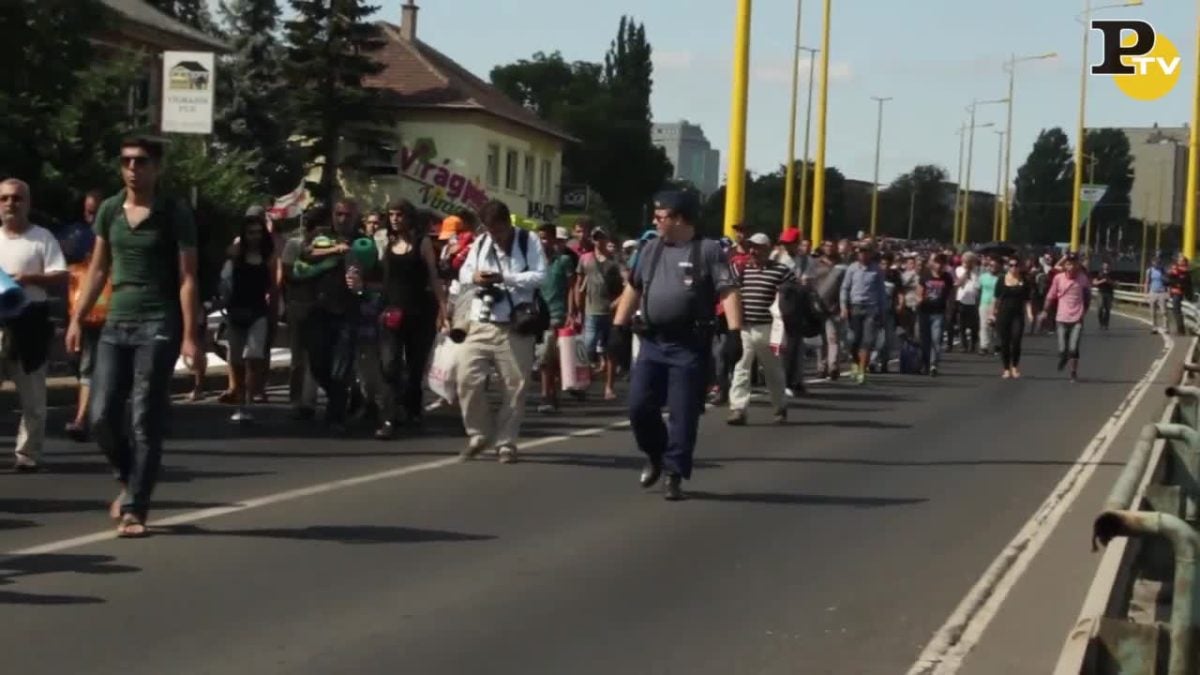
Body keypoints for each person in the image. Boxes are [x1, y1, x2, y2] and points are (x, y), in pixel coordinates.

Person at [66, 135, 201, 538]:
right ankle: (128, 478)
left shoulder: (174, 212)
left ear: (157, 167)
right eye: (126, 161)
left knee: (145, 417)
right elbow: (99, 270)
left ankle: (136, 509)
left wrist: (191, 335)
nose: (132, 169)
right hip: (116, 321)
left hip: (157, 320)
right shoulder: (109, 209)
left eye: (141, 162)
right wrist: (77, 318)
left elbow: (188, 276)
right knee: (101, 414)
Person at [612, 190, 741, 501]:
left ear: (680, 218)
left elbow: (728, 292)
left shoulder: (708, 251)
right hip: (653, 342)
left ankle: (674, 472)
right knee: (639, 406)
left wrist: (735, 332)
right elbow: (633, 289)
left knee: (683, 413)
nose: (656, 222)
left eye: (661, 216)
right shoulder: (650, 249)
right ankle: (655, 453)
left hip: (689, 345)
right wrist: (618, 327)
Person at [455, 200, 546, 464]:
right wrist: (476, 278)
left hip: (517, 324)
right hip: (481, 320)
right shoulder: (482, 242)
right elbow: (463, 273)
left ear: (508, 223)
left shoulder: (528, 241)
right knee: (466, 378)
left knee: (515, 387)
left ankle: (506, 443)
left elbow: (541, 276)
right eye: (491, 230)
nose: (496, 235)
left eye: (499, 230)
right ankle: (478, 434)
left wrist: (504, 278)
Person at [0, 179, 67, 471]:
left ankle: (27, 455)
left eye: (16, 198)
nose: (10, 204)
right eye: (4, 199)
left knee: (33, 397)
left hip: (29, 323)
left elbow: (60, 275)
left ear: (28, 203)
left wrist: (29, 279)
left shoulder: (42, 238)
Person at [375, 199, 447, 439]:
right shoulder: (385, 241)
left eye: (399, 214)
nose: (395, 219)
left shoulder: (422, 243)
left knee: (416, 367)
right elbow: (378, 275)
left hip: (420, 313)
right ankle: (388, 417)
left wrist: (443, 309)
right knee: (390, 365)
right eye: (391, 214)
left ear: (409, 217)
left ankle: (413, 410)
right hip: (391, 313)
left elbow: (434, 277)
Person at [727, 232, 793, 426]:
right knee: (741, 368)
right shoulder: (742, 270)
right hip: (746, 327)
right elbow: (733, 293)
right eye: (751, 247)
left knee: (773, 370)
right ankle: (738, 408)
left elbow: (791, 296)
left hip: (770, 327)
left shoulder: (781, 271)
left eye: (758, 247)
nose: (753, 251)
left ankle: (780, 406)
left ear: (768, 249)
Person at [220, 205, 278, 423]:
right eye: (251, 232)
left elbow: (272, 286)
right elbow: (225, 276)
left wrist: (273, 313)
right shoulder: (236, 252)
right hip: (236, 311)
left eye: (258, 232)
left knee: (253, 356)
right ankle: (240, 400)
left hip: (258, 312)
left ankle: (248, 399)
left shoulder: (268, 255)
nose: (255, 236)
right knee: (236, 359)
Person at [65, 192, 110, 441]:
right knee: (77, 360)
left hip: (111, 313)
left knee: (89, 368)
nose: (91, 217)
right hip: (81, 311)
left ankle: (83, 418)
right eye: (88, 212)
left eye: (96, 211)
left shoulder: (115, 235)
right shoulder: (76, 237)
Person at [576, 227, 623, 400]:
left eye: (601, 237)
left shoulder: (615, 261)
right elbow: (579, 284)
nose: (598, 240)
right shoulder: (585, 259)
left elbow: (626, 287)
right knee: (587, 349)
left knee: (610, 351)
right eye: (595, 237)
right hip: (591, 311)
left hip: (611, 312)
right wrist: (577, 308)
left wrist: (616, 305)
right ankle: (583, 384)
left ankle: (609, 388)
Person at [840, 242, 887, 385]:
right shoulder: (852, 269)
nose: (863, 254)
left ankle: (861, 370)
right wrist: (843, 307)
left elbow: (881, 292)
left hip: (871, 308)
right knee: (854, 339)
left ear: (870, 253)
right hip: (855, 307)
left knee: (867, 340)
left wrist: (882, 310)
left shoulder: (876, 270)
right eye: (860, 252)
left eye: (866, 252)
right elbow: (845, 288)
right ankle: (855, 362)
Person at [1043, 253, 1090, 382]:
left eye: (1074, 263)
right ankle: (1063, 358)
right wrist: (1045, 311)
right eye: (1068, 264)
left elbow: (1087, 297)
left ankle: (1073, 372)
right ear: (1065, 265)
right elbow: (1050, 296)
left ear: (1077, 265)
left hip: (1077, 318)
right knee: (1063, 349)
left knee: (1074, 347)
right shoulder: (1058, 278)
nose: (1071, 266)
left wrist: (1083, 311)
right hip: (1061, 318)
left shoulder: (1083, 279)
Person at [992, 258, 1033, 378]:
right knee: (1004, 342)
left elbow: (1027, 300)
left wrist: (1030, 314)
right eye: (1011, 265)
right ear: (1008, 267)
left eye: (1016, 265)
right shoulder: (1001, 279)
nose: (1014, 268)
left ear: (1020, 267)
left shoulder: (1024, 281)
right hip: (1003, 314)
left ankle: (1014, 366)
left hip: (1018, 314)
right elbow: (996, 298)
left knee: (1016, 340)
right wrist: (992, 312)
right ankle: (1006, 368)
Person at [918, 254, 956, 377]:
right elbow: (919, 292)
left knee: (936, 338)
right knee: (925, 341)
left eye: (942, 263)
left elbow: (951, 295)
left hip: (939, 312)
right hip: (924, 311)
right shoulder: (925, 276)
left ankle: (933, 364)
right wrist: (918, 301)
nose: (939, 265)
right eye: (937, 262)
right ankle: (925, 364)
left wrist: (950, 310)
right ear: (932, 263)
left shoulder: (947, 278)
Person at [953, 252, 981, 353]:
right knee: (962, 325)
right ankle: (964, 345)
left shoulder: (978, 271)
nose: (967, 263)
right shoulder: (959, 269)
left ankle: (973, 344)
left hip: (974, 301)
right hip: (961, 300)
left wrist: (972, 271)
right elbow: (959, 283)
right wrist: (966, 272)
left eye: (970, 261)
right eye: (965, 261)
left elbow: (978, 285)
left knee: (974, 325)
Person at [978, 257, 999, 355]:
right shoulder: (983, 277)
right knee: (984, 326)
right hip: (984, 303)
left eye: (995, 265)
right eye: (991, 265)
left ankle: (997, 345)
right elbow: (978, 289)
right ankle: (984, 346)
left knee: (996, 327)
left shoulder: (1001, 278)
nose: (992, 267)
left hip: (997, 305)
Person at [1167, 254, 1193, 336]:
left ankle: (1181, 330)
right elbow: (1169, 280)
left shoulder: (1185, 272)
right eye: (1179, 260)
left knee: (1178, 312)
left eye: (1181, 260)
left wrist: (1177, 284)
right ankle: (1181, 329)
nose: (1179, 261)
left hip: (1180, 294)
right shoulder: (1175, 270)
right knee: (1176, 312)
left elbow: (1184, 283)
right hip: (1175, 293)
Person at [1146, 257, 1169, 334]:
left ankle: (1165, 327)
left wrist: (1168, 292)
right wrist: (1146, 293)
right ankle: (1154, 327)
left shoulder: (1163, 270)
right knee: (1152, 311)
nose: (1156, 264)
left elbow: (1168, 281)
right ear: (1152, 263)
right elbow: (1147, 282)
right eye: (1154, 262)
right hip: (1153, 292)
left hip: (1162, 292)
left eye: (1157, 262)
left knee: (1164, 311)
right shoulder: (1149, 271)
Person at [1093, 260, 1115, 330]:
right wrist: (1102, 281)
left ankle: (1106, 324)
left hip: (1109, 293)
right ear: (1102, 266)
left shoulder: (1112, 274)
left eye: (1107, 265)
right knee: (1100, 308)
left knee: (1107, 309)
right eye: (1105, 265)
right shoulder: (1099, 273)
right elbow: (1094, 283)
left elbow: (1116, 283)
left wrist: (1109, 282)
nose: (1106, 266)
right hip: (1101, 292)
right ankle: (1101, 322)